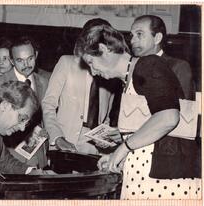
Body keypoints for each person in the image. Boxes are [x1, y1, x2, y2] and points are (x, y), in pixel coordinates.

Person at [75, 24, 201, 199]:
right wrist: (115, 156)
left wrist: (122, 150)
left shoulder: (148, 64)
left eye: (91, 62)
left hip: (164, 182)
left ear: (104, 50)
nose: (93, 71)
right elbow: (147, 133)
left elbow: (168, 117)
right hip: (146, 178)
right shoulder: (130, 78)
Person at [42, 18, 114, 155]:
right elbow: (48, 104)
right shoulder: (66, 62)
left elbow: (107, 116)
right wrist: (57, 137)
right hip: (65, 140)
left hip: (95, 147)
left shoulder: (111, 72)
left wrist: (105, 139)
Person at [130, 15, 195, 100]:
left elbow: (184, 108)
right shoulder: (130, 65)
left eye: (139, 34)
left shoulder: (178, 67)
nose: (132, 41)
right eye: (132, 35)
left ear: (157, 38)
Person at [0, 36, 48, 104]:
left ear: (36, 55)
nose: (26, 64)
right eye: (20, 60)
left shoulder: (44, 82)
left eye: (30, 58)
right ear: (12, 61)